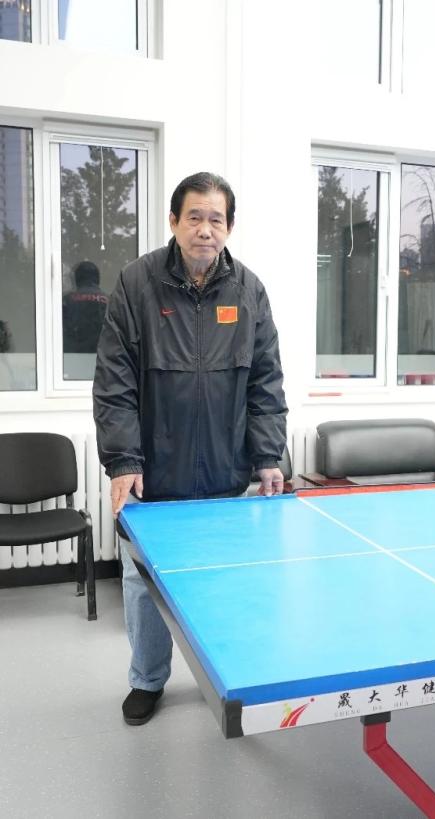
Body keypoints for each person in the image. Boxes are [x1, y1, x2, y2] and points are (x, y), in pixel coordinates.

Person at [93, 172, 288, 726]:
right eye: (195, 217)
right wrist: (124, 461)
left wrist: (267, 456)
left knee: (225, 581)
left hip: (226, 470)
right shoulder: (137, 283)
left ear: (229, 227)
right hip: (154, 472)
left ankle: (225, 677)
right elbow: (114, 381)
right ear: (174, 221)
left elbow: (266, 382)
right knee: (143, 584)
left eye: (216, 220)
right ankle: (147, 679)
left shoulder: (249, 290)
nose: (205, 230)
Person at [62, 260, 109, 353]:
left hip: (70, 357)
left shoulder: (66, 300)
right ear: (97, 278)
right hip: (102, 356)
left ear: (77, 279)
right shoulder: (110, 301)